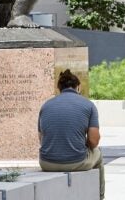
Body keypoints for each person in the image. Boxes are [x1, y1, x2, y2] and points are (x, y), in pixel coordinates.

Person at [38, 69, 104, 199]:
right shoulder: (88, 105)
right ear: (78, 87)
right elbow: (94, 141)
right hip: (76, 161)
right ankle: (100, 196)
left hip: (46, 163)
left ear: (59, 89)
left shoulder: (46, 106)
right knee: (99, 154)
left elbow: (42, 139)